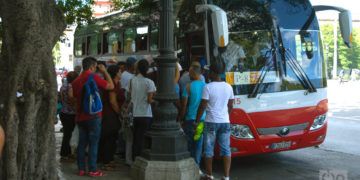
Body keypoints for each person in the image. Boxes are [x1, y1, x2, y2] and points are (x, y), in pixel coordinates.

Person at [72, 57, 114, 177]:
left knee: (82, 144)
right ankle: (92, 169)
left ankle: (81, 169)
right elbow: (110, 86)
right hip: (94, 115)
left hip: (80, 116)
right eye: (95, 67)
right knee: (94, 143)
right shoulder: (94, 77)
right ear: (92, 67)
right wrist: (105, 71)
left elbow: (74, 97)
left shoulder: (76, 80)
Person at [195, 62, 234, 180]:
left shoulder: (208, 87)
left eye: (209, 71)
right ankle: (226, 177)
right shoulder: (228, 86)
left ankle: (209, 175)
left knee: (208, 150)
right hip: (225, 122)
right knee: (226, 149)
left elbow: (202, 106)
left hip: (211, 122)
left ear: (212, 73)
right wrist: (226, 116)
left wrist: (197, 121)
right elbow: (231, 105)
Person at [179, 63, 206, 167]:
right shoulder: (205, 86)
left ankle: (189, 166)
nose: (188, 75)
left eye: (190, 73)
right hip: (201, 120)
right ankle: (197, 166)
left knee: (189, 143)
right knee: (198, 143)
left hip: (190, 119)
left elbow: (184, 106)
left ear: (194, 73)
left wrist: (181, 119)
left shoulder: (188, 87)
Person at [128, 59, 156, 160]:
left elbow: (130, 95)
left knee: (136, 138)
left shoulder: (132, 80)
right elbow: (149, 100)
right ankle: (142, 158)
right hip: (146, 114)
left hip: (135, 113)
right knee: (144, 137)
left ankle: (134, 158)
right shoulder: (150, 82)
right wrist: (154, 101)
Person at [98, 65, 124, 170]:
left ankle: (107, 159)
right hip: (110, 113)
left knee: (111, 137)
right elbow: (112, 101)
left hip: (111, 113)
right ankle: (106, 161)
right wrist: (119, 112)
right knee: (109, 137)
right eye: (120, 71)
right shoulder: (112, 84)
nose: (121, 73)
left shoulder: (117, 83)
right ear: (116, 73)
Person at [59, 71, 78, 161]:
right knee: (68, 135)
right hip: (70, 113)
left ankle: (67, 153)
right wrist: (76, 101)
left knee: (67, 134)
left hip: (64, 112)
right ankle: (65, 154)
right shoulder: (71, 86)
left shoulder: (63, 86)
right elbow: (70, 97)